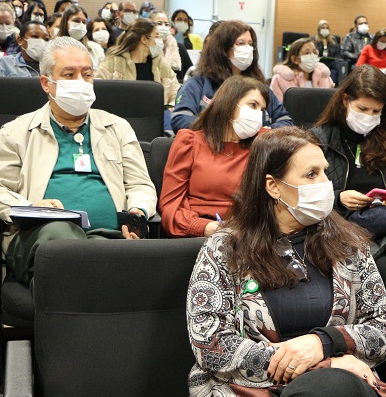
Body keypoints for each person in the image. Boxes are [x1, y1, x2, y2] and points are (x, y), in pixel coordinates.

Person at [125, 126, 386, 397]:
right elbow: (212, 345)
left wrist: (323, 343)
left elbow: (385, 329)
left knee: (331, 388)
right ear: (272, 186)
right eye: (311, 174)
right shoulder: (225, 248)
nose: (325, 183)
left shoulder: (350, 245)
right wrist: (323, 361)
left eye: (325, 171)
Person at [0, 37, 157, 286]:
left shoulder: (117, 127)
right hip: (37, 238)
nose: (80, 82)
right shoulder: (15, 132)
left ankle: (66, 296)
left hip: (107, 237)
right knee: (61, 234)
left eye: (87, 74)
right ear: (46, 83)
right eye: (69, 75)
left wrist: (137, 211)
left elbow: (140, 185)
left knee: (98, 253)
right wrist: (30, 208)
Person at [311, 64, 386, 269]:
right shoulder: (320, 138)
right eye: (362, 109)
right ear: (346, 100)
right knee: (382, 266)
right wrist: (339, 198)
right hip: (340, 226)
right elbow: (303, 194)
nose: (368, 117)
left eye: (376, 111)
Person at [160, 75, 268, 237]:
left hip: (248, 234)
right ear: (229, 104)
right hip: (197, 234)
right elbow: (170, 205)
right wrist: (203, 227)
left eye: (262, 110)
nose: (258, 114)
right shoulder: (190, 142)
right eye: (253, 105)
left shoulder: (265, 143)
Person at [171, 19, 293, 133]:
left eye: (250, 44)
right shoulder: (198, 84)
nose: (248, 49)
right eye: (241, 43)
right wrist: (228, 131)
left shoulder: (259, 86)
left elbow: (286, 121)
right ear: (223, 49)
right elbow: (180, 119)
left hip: (254, 146)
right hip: (214, 145)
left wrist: (261, 134)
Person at [94, 18, 180, 108]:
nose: (160, 41)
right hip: (119, 113)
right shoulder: (113, 62)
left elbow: (175, 90)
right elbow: (99, 90)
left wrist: (170, 108)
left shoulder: (159, 63)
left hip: (156, 114)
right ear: (144, 39)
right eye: (157, 36)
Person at [270, 37, 333, 102]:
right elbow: (276, 106)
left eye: (314, 52)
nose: (312, 56)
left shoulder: (325, 79)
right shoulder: (279, 79)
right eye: (307, 53)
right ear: (294, 59)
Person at [57, 5, 105, 70]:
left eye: (84, 22)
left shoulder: (96, 48)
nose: (81, 25)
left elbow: (103, 74)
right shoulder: (53, 49)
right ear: (65, 23)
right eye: (76, 21)